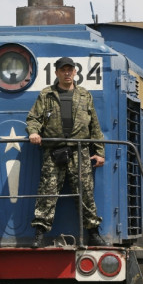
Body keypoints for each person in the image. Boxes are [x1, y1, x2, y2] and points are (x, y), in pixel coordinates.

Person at [26, 56, 106, 247]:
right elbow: (33, 118)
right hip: (54, 151)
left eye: (70, 69)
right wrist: (34, 132)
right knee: (47, 192)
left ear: (75, 72)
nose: (67, 73)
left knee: (85, 192)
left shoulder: (85, 95)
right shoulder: (46, 95)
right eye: (63, 70)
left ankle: (93, 233)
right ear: (57, 73)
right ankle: (39, 233)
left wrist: (100, 152)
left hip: (80, 151)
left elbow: (94, 125)